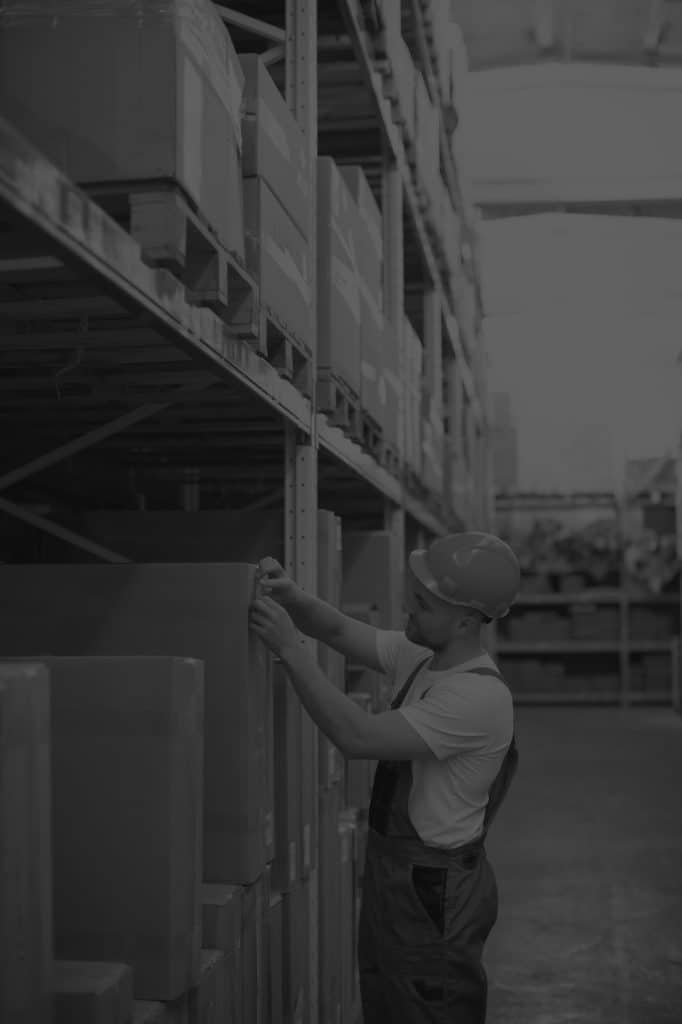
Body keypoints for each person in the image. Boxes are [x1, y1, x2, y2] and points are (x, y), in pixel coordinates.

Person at [249, 530, 521, 1024]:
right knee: (387, 1004)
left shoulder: (478, 697)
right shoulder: (425, 657)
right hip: (394, 876)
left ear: (465, 619)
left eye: (422, 604)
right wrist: (292, 597)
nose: (407, 609)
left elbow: (359, 738)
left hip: (433, 891)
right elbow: (337, 631)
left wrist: (291, 650)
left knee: (428, 1010)